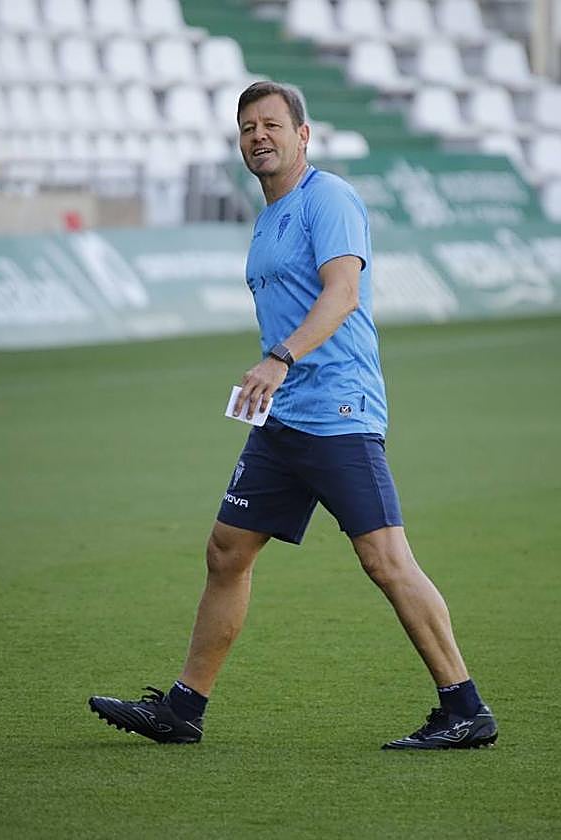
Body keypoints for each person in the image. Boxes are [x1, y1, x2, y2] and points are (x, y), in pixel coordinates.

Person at [89, 80, 496, 752]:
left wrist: (279, 357)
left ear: (302, 136)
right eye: (248, 127)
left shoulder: (328, 198)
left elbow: (342, 294)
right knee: (227, 550)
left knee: (385, 559)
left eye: (272, 124)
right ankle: (184, 708)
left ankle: (466, 707)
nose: (259, 136)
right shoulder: (268, 217)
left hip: (337, 407)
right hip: (285, 419)